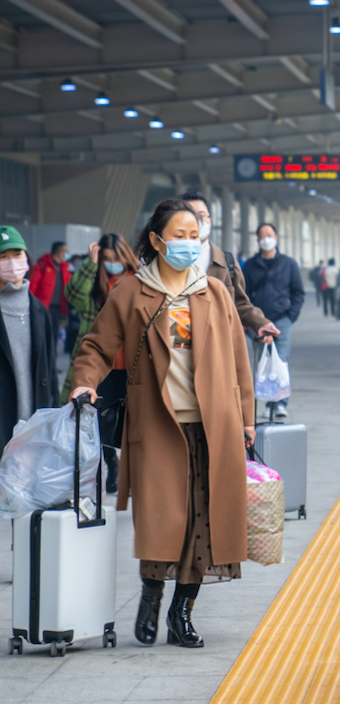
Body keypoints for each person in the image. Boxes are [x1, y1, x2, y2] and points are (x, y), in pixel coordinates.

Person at [70, 199, 254, 649]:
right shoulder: (132, 293)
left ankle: (181, 613)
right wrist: (83, 384)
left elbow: (237, 361)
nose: (189, 245)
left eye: (195, 237)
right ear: (156, 240)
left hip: (214, 426)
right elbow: (95, 346)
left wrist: (247, 420)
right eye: (179, 236)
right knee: (160, 519)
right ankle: (152, 593)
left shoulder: (214, 291)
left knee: (202, 522)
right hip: (155, 425)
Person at [62, 233, 139, 493]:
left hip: (132, 365)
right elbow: (73, 297)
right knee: (99, 422)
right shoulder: (96, 277)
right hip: (101, 366)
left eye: (116, 259)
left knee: (131, 420)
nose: (112, 264)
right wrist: (90, 265)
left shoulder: (138, 279)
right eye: (107, 260)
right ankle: (110, 463)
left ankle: (129, 469)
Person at [180, 191, 280, 346]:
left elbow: (239, 303)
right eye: (190, 216)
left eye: (201, 215)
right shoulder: (168, 260)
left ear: (210, 221)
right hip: (180, 341)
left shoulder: (226, 262)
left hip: (217, 344)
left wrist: (260, 322)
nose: (197, 221)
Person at [0, 227, 59, 448]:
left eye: (16, 254)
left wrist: (54, 416)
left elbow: (51, 371)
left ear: (27, 259)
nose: (11, 262)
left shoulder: (40, 311)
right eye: (3, 256)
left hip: (35, 428)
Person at [242, 223, 305, 418]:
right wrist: (249, 320)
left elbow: (298, 292)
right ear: (257, 240)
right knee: (263, 362)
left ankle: (280, 403)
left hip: (281, 320)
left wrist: (290, 316)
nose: (266, 238)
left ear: (276, 238)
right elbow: (243, 294)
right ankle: (268, 402)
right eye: (262, 235)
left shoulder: (289, 264)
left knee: (281, 360)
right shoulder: (251, 265)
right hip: (259, 323)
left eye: (269, 234)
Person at [29, 240, 71, 356]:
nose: (66, 255)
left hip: (57, 309)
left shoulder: (64, 270)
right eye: (65, 252)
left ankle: (52, 367)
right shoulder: (41, 267)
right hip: (41, 308)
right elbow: (32, 286)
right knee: (42, 337)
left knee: (54, 337)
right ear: (59, 252)